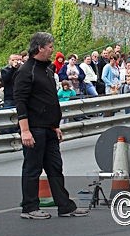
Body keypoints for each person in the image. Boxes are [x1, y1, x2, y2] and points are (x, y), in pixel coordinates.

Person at [15, 31, 89, 219]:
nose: (52, 49)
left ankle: (65, 206)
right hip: (34, 128)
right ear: (39, 48)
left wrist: (55, 125)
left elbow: (49, 100)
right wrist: (25, 131)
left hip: (48, 128)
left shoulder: (48, 70)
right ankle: (29, 207)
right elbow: (21, 102)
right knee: (33, 168)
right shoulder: (26, 71)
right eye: (49, 46)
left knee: (55, 167)